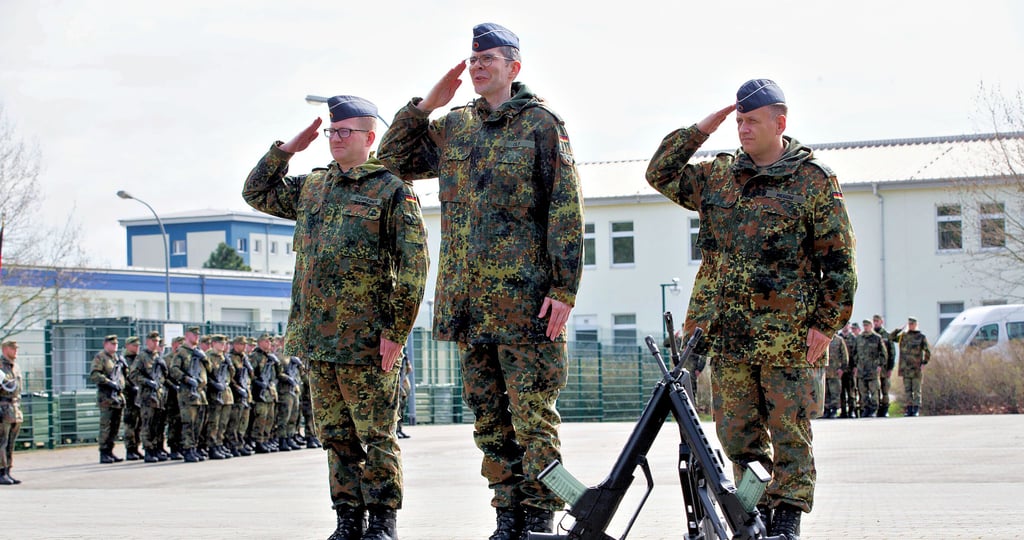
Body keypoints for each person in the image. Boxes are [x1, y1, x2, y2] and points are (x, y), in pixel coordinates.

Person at [377, 22, 584, 540]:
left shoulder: (541, 125)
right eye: (473, 60)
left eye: (488, 59)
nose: (477, 67)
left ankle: (538, 519)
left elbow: (565, 209)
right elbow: (392, 159)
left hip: (526, 304)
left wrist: (563, 289)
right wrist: (424, 107)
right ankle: (507, 517)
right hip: (468, 305)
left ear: (514, 68)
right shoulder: (455, 127)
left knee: (533, 419)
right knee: (490, 422)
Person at [645, 79, 858, 539]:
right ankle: (753, 516)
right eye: (738, 121)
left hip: (789, 335)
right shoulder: (717, 177)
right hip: (728, 334)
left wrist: (826, 325)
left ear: (780, 123)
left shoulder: (813, 181)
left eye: (752, 121)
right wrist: (703, 128)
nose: (742, 129)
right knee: (737, 436)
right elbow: (659, 172)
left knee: (789, 434)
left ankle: (787, 523)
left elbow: (839, 261)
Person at [243, 93, 429, 540]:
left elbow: (414, 267)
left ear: (369, 137)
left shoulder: (391, 190)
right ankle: (347, 518)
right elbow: (256, 192)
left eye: (345, 131)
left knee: (376, 434)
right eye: (331, 131)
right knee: (334, 435)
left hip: (368, 340)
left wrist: (395, 332)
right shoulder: (313, 187)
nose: (335, 138)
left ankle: (382, 521)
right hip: (316, 339)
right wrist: (286, 150)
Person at [168, 325, 210, 464]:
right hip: (187, 393)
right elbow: (173, 370)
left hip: (200, 393)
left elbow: (209, 370)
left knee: (199, 423)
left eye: (198, 335)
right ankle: (188, 449)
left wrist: (204, 358)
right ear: (187, 335)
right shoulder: (181, 352)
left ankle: (195, 447)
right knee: (189, 423)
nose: (196, 337)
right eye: (194, 335)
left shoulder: (198, 353)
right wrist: (186, 379)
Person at [128, 331, 170, 463]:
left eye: (157, 341)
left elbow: (164, 377)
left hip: (159, 396)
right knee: (148, 424)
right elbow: (133, 374)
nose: (155, 344)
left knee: (158, 425)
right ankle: (149, 450)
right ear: (147, 342)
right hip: (147, 396)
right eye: (153, 341)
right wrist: (146, 382)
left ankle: (157, 448)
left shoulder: (158, 357)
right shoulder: (142, 356)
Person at [90, 334, 128, 464]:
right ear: (105, 344)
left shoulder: (118, 359)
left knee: (115, 426)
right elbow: (94, 375)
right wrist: (108, 382)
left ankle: (110, 451)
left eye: (116, 344)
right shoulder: (100, 357)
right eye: (112, 344)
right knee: (106, 426)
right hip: (106, 397)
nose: (115, 346)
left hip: (117, 397)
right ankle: (104, 452)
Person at [890, 316, 931, 416]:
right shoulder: (903, 336)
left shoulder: (921, 337)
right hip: (906, 368)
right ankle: (909, 409)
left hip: (916, 368)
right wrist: (899, 329)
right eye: (909, 324)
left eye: (913, 324)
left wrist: (924, 362)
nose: (911, 326)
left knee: (916, 390)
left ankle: (916, 409)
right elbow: (891, 337)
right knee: (907, 390)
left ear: (916, 325)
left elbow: (927, 351)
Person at [204, 334, 235, 460]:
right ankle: (212, 446)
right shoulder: (208, 357)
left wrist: (230, 364)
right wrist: (213, 385)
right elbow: (207, 374)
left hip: (226, 394)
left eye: (224, 343)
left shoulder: (224, 357)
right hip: (214, 394)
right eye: (220, 343)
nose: (223, 345)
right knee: (214, 422)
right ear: (214, 343)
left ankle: (219, 444)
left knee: (223, 422)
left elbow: (231, 375)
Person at [1, 340, 24, 485]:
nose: (15, 351)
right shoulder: (0, 366)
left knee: (10, 442)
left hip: (14, 408)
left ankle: (8, 470)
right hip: (3, 408)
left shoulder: (15, 367)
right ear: (4, 350)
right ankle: (1, 471)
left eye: (16, 349)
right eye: (12, 349)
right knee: (1, 441)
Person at [855, 318, 888, 418]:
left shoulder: (877, 338)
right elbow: (854, 353)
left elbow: (884, 354)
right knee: (863, 392)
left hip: (873, 370)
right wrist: (856, 365)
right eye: (864, 326)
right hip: (861, 370)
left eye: (867, 325)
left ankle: (874, 409)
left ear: (871, 326)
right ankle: (865, 409)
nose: (866, 327)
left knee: (874, 392)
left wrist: (880, 365)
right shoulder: (859, 338)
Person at [121, 336, 143, 460]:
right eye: (134, 345)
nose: (137, 347)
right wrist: (131, 386)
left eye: (138, 345)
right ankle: (130, 448)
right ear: (128, 346)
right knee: (130, 423)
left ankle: (136, 447)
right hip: (129, 395)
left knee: (139, 423)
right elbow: (123, 377)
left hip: (139, 395)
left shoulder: (138, 359)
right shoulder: (124, 360)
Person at [872, 314, 896, 417]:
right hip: (874, 368)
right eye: (874, 321)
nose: (876, 323)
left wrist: (890, 368)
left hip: (885, 368)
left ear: (882, 322)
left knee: (885, 390)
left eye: (877, 321)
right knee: (875, 390)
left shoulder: (887, 335)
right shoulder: (871, 335)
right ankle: (877, 409)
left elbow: (892, 353)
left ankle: (885, 409)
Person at [823, 332, 849, 419]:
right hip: (824, 372)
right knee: (825, 393)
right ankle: (826, 410)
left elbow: (844, 356)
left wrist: (842, 368)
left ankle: (834, 410)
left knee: (835, 393)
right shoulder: (823, 339)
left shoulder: (839, 340)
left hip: (835, 372)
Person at [840, 323, 860, 418]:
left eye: (847, 324)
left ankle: (852, 410)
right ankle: (843, 411)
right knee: (841, 392)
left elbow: (857, 354)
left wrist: (856, 366)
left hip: (850, 369)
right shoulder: (838, 338)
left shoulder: (854, 338)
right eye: (844, 325)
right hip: (840, 370)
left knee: (851, 392)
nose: (845, 326)